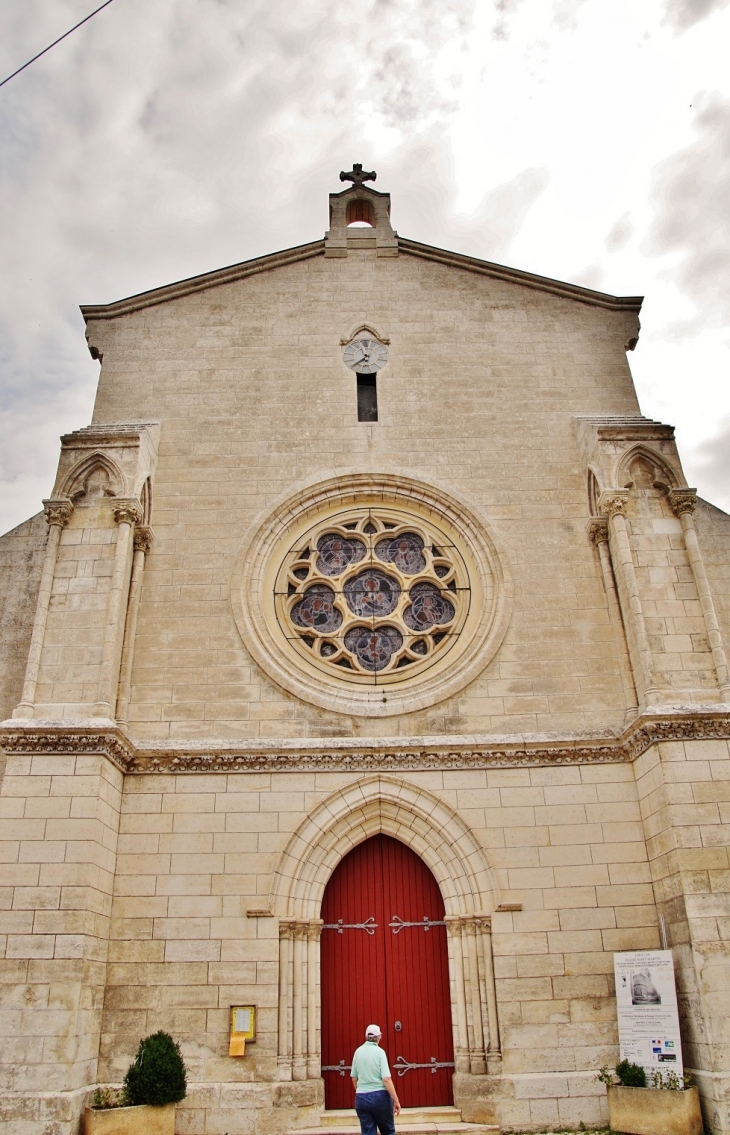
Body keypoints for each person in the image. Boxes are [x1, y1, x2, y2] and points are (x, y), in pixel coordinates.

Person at [350, 1024, 401, 1135]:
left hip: (361, 1098)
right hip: (380, 1097)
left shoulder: (357, 1052)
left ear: (366, 1036)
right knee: (388, 1131)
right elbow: (386, 1079)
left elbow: (354, 1078)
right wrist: (396, 1100)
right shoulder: (380, 1052)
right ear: (379, 1037)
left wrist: (362, 1093)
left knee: (368, 1132)